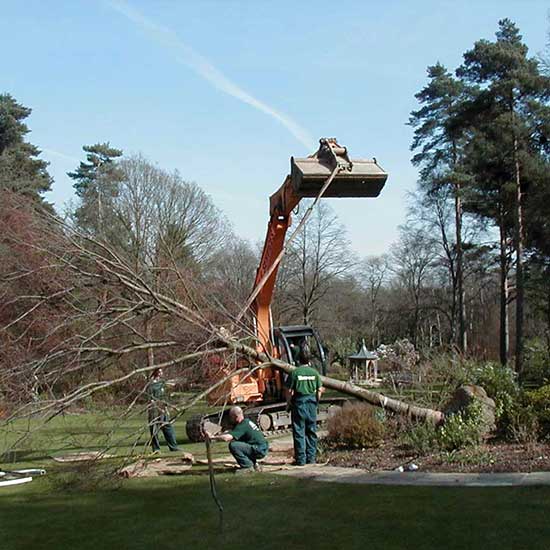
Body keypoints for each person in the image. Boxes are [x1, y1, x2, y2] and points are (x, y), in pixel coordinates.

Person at [288, 344, 323, 466]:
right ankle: (311, 458)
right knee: (311, 431)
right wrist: (316, 402)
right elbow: (319, 390)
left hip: (299, 404)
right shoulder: (315, 373)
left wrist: (289, 403)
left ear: (299, 359)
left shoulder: (295, 373)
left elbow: (288, 391)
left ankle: (301, 460)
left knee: (299, 432)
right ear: (309, 359)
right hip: (311, 404)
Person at [208, 406, 269, 474]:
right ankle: (254, 465)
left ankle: (247, 467)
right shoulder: (246, 422)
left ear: (236, 416)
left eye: (231, 417)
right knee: (241, 444)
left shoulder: (243, 425)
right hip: (261, 447)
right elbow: (230, 433)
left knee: (234, 445)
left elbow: (227, 438)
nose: (230, 419)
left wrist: (212, 437)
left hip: (259, 449)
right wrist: (219, 434)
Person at [146, 368, 180, 453]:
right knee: (154, 430)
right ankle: (156, 449)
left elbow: (164, 398)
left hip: (163, 410)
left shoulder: (162, 383)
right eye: (160, 371)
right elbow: (151, 400)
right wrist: (158, 408)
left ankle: (173, 447)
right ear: (156, 372)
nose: (162, 373)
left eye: (162, 371)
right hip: (154, 411)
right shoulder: (151, 385)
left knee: (168, 428)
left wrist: (167, 408)